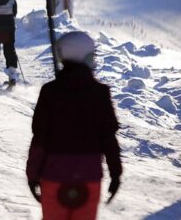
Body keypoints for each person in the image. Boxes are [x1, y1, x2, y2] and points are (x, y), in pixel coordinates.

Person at [26, 31, 122, 220]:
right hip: (89, 177)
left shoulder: (50, 92)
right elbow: (108, 137)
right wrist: (115, 173)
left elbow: (40, 138)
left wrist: (32, 174)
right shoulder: (100, 93)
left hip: (53, 177)